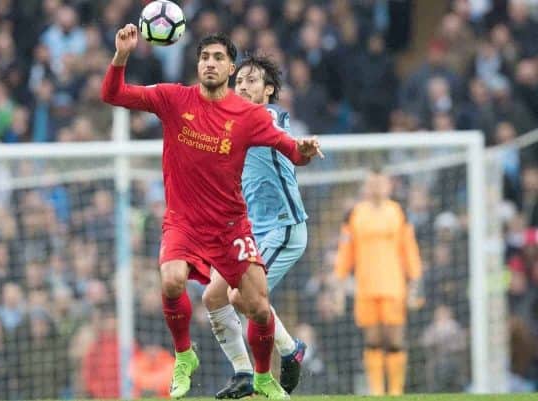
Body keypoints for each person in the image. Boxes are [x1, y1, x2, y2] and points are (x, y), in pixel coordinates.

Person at [101, 26, 323, 400]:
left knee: (252, 304)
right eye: (204, 57)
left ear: (229, 67)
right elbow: (113, 93)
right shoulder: (174, 98)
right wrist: (121, 55)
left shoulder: (252, 116)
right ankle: (191, 357)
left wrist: (305, 149)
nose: (210, 63)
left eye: (219, 57)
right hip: (184, 223)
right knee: (177, 283)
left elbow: (291, 150)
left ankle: (267, 373)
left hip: (233, 227)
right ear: (197, 64)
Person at [202, 54, 308, 399]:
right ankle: (245, 371)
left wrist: (300, 148)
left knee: (241, 296)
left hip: (284, 228)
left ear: (269, 90)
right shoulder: (228, 123)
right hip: (250, 231)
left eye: (252, 80)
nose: (243, 86)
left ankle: (289, 351)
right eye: (240, 80)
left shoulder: (268, 115)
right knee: (214, 295)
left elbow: (280, 132)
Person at [333, 168, 423, 396]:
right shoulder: (355, 214)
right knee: (372, 340)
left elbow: (409, 249)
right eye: (372, 183)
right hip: (365, 287)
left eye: (380, 183)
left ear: (388, 185)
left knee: (394, 339)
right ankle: (376, 391)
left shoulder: (398, 212)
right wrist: (339, 284)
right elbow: (346, 251)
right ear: (366, 186)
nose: (376, 187)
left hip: (394, 285)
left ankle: (395, 390)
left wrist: (415, 280)